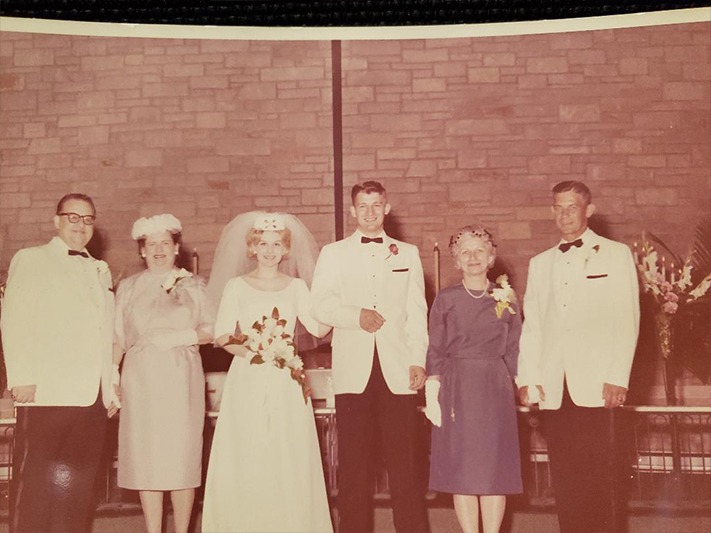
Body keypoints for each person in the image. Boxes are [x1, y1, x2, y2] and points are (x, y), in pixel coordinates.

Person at [517, 181, 640, 533]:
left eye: (572, 207)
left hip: (599, 387)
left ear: (589, 210)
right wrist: (528, 379)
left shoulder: (616, 254)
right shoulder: (540, 263)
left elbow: (626, 318)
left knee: (603, 480)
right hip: (556, 388)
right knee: (566, 481)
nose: (565, 214)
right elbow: (534, 326)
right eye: (558, 207)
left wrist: (619, 376)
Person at [202, 211, 333, 533]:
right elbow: (221, 335)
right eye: (263, 243)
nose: (270, 250)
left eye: (276, 244)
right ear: (252, 247)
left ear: (286, 249)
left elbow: (318, 327)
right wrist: (257, 350)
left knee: (286, 451)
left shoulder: (297, 286)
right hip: (248, 376)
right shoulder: (236, 286)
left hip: (285, 380)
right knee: (250, 450)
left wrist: (338, 304)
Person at [311, 181, 429, 533]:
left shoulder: (407, 253)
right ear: (352, 211)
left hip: (398, 371)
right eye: (363, 206)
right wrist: (355, 315)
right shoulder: (333, 253)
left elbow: (416, 312)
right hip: (353, 372)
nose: (370, 212)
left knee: (405, 468)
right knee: (353, 468)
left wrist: (418, 360)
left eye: (377, 205)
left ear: (387, 207)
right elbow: (320, 304)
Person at [0, 193, 119, 533]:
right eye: (73, 217)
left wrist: (109, 386)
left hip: (90, 400)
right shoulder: (31, 258)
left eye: (88, 219)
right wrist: (21, 376)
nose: (81, 225)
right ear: (56, 221)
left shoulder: (99, 269)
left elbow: (106, 333)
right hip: (47, 395)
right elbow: (14, 319)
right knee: (35, 489)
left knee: (76, 495)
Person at [112, 214, 212, 533]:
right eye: (151, 244)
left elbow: (215, 328)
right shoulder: (127, 287)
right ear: (141, 250)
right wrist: (112, 378)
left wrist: (182, 337)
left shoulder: (195, 285)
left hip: (182, 379)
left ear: (176, 247)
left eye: (165, 243)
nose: (158, 250)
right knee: (148, 457)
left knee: (181, 458)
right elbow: (117, 338)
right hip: (141, 381)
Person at [424, 224, 522, 533]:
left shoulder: (506, 296)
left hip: (495, 386)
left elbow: (516, 346)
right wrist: (432, 390)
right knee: (463, 468)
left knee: (493, 469)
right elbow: (436, 347)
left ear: (492, 257)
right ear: (456, 260)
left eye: (479, 251)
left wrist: (523, 384)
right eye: (465, 252)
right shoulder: (446, 298)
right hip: (458, 388)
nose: (473, 257)